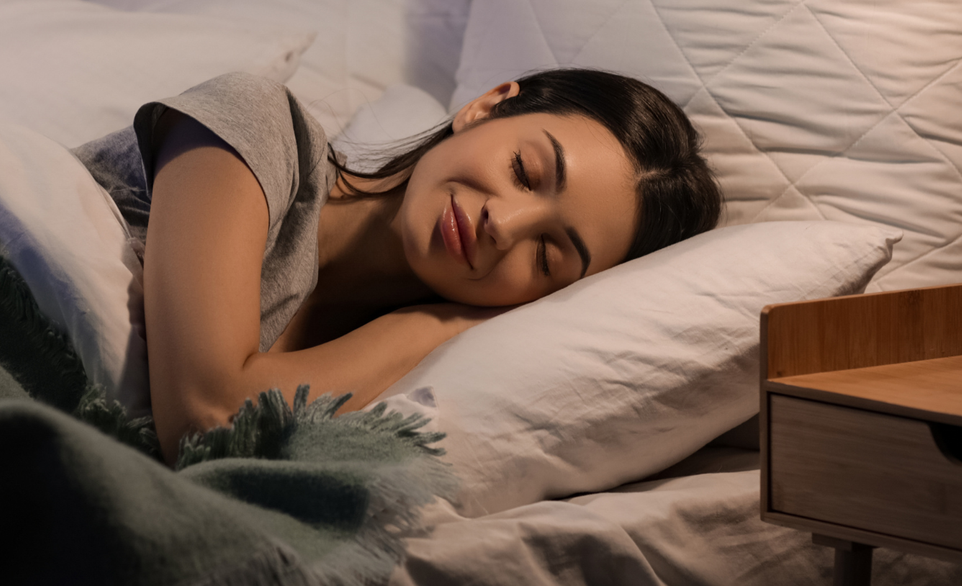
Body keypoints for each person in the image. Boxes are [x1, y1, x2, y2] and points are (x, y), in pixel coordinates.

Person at [75, 68, 721, 461]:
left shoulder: (426, 377)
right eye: (525, 171)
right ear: (487, 106)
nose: (507, 224)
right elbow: (207, 421)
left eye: (548, 255)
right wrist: (433, 324)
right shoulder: (260, 126)